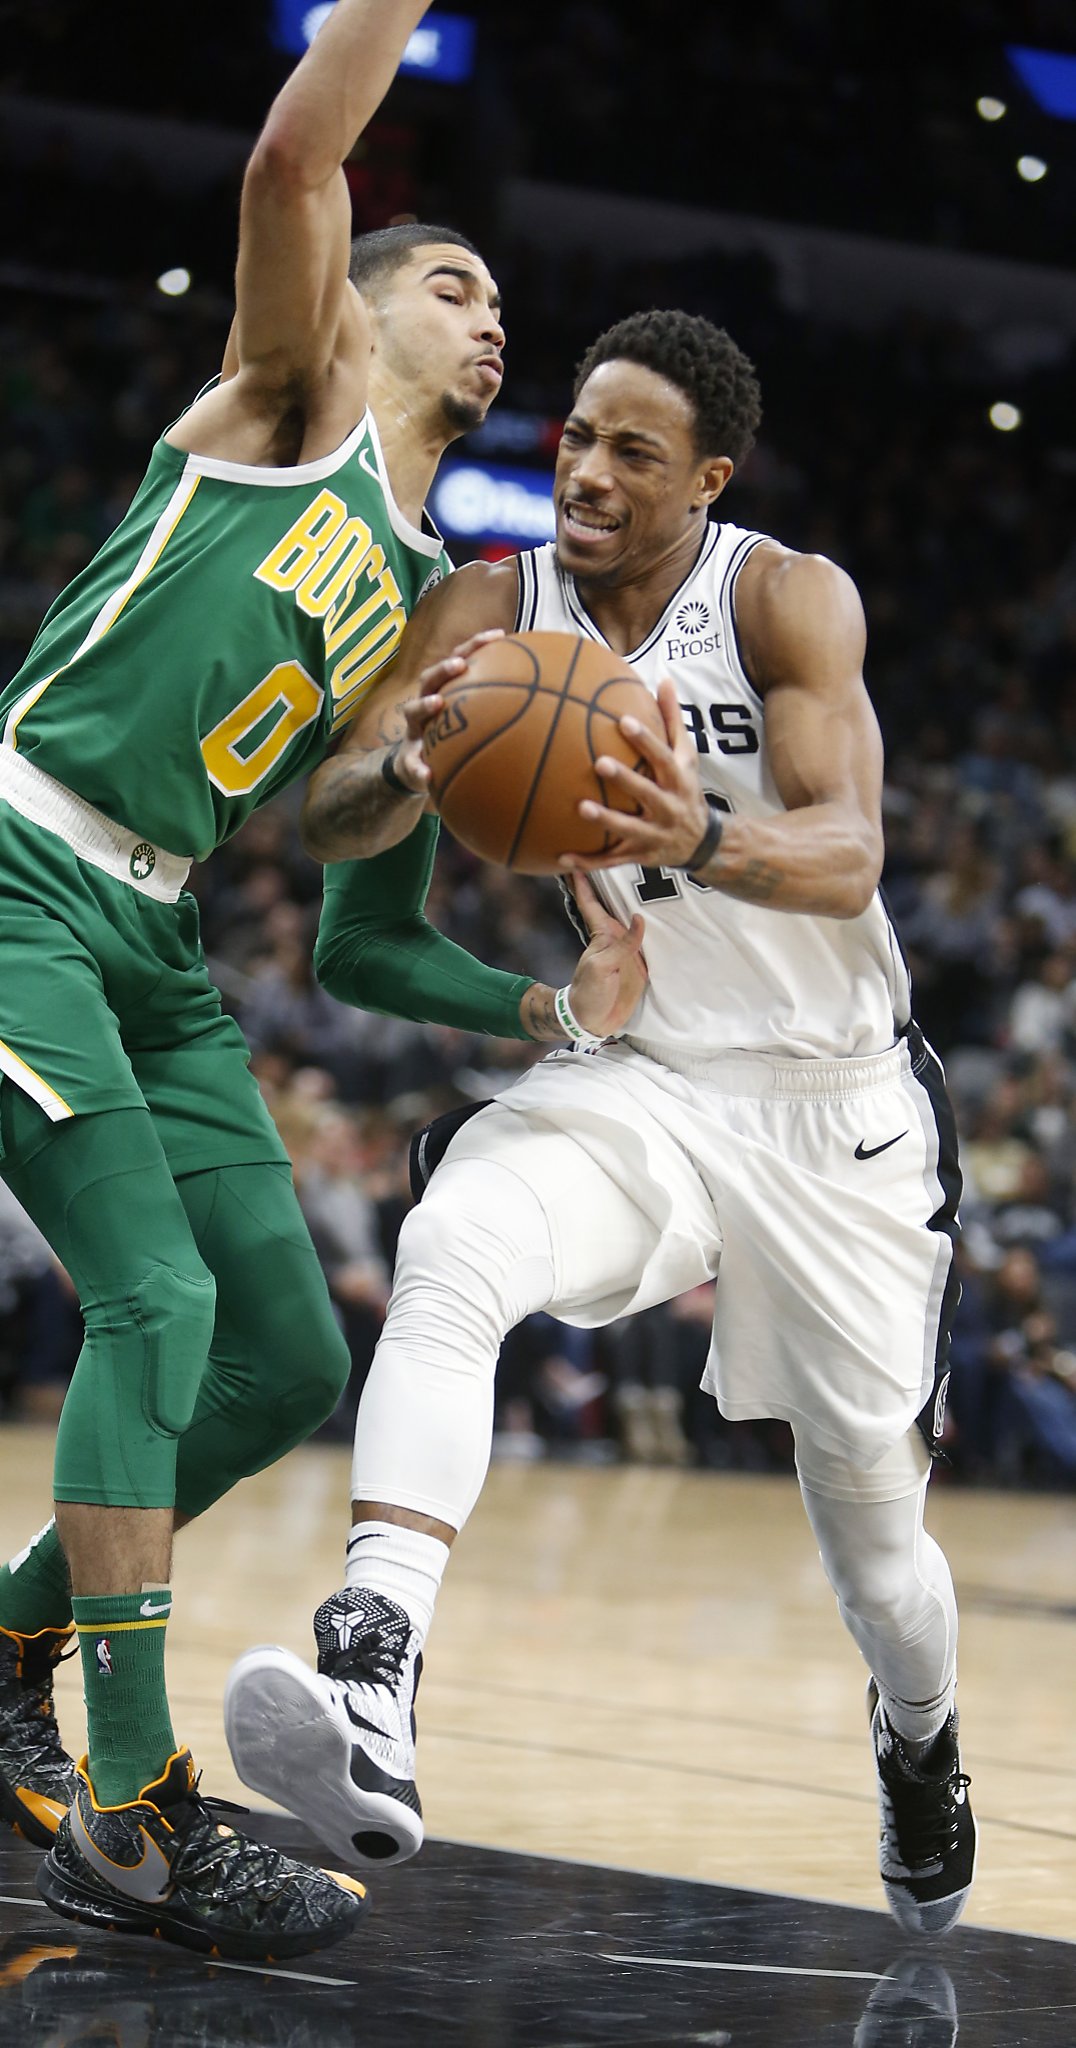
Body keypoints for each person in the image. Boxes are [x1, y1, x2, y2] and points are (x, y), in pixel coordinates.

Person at [0, 0, 638, 1960]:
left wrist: (416, 764)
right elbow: (294, 159)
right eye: (452, 281)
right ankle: (125, 1797)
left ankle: (16, 1640)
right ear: (361, 310)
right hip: (21, 860)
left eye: (499, 295)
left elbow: (339, 845)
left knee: (284, 1348)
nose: (489, 311)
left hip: (162, 922)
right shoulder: (295, 391)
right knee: (156, 1294)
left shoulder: (436, 566)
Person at [224, 309, 977, 1938]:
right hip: (651, 1077)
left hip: (837, 1116)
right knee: (458, 1240)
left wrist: (701, 835)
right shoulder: (489, 605)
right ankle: (377, 1661)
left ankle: (922, 1741)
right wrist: (411, 764)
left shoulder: (783, 596)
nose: (587, 469)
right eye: (576, 436)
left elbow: (848, 853)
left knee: (875, 1537)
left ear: (710, 476)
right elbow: (334, 808)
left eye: (634, 449)